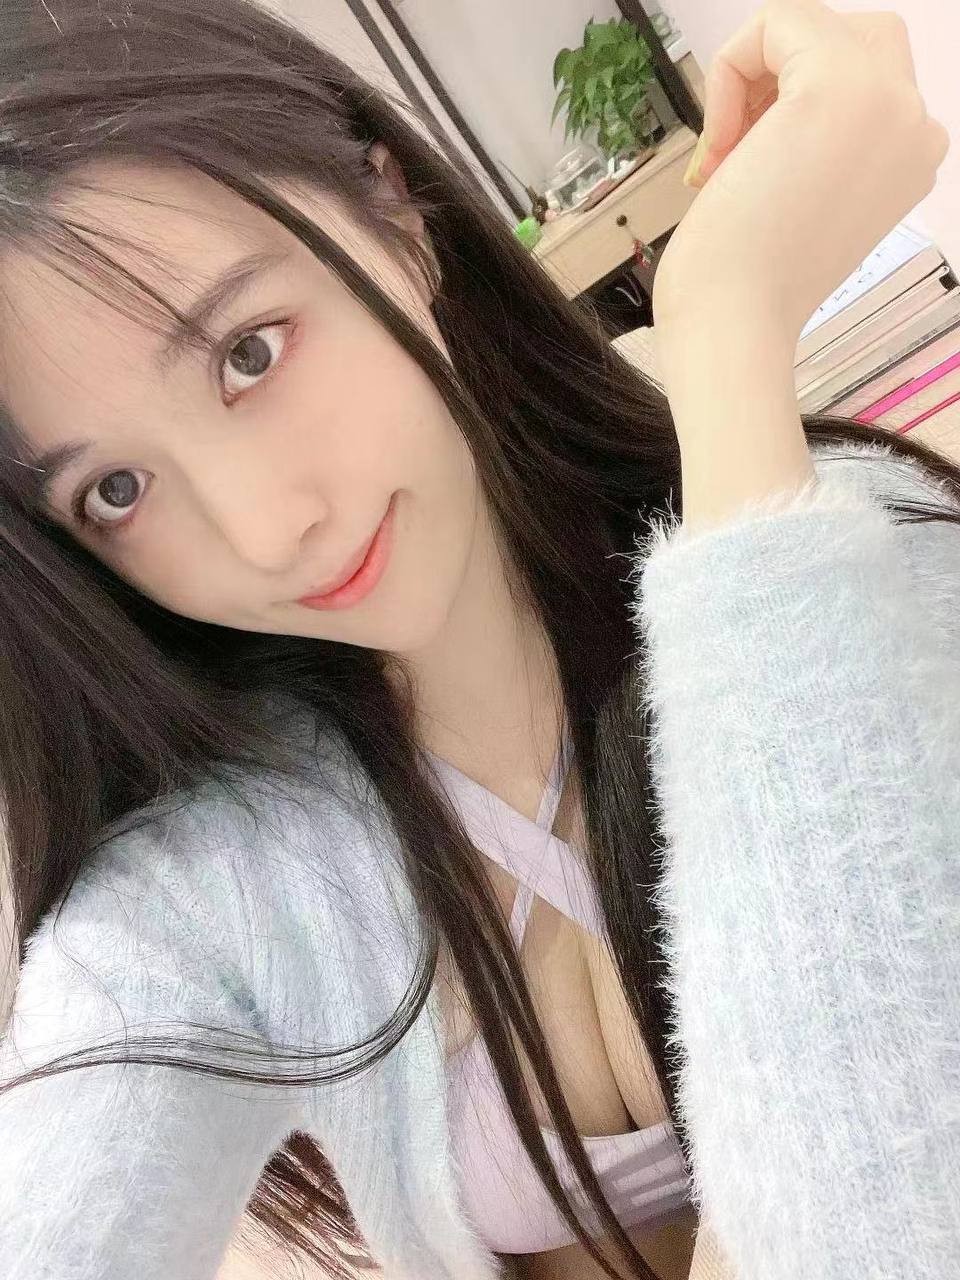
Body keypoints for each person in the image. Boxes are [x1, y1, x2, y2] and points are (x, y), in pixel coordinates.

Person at [0, 0, 957, 1277]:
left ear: (396, 213)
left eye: (249, 351)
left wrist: (731, 335)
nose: (269, 530)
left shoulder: (857, 569)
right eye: (115, 489)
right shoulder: (213, 885)